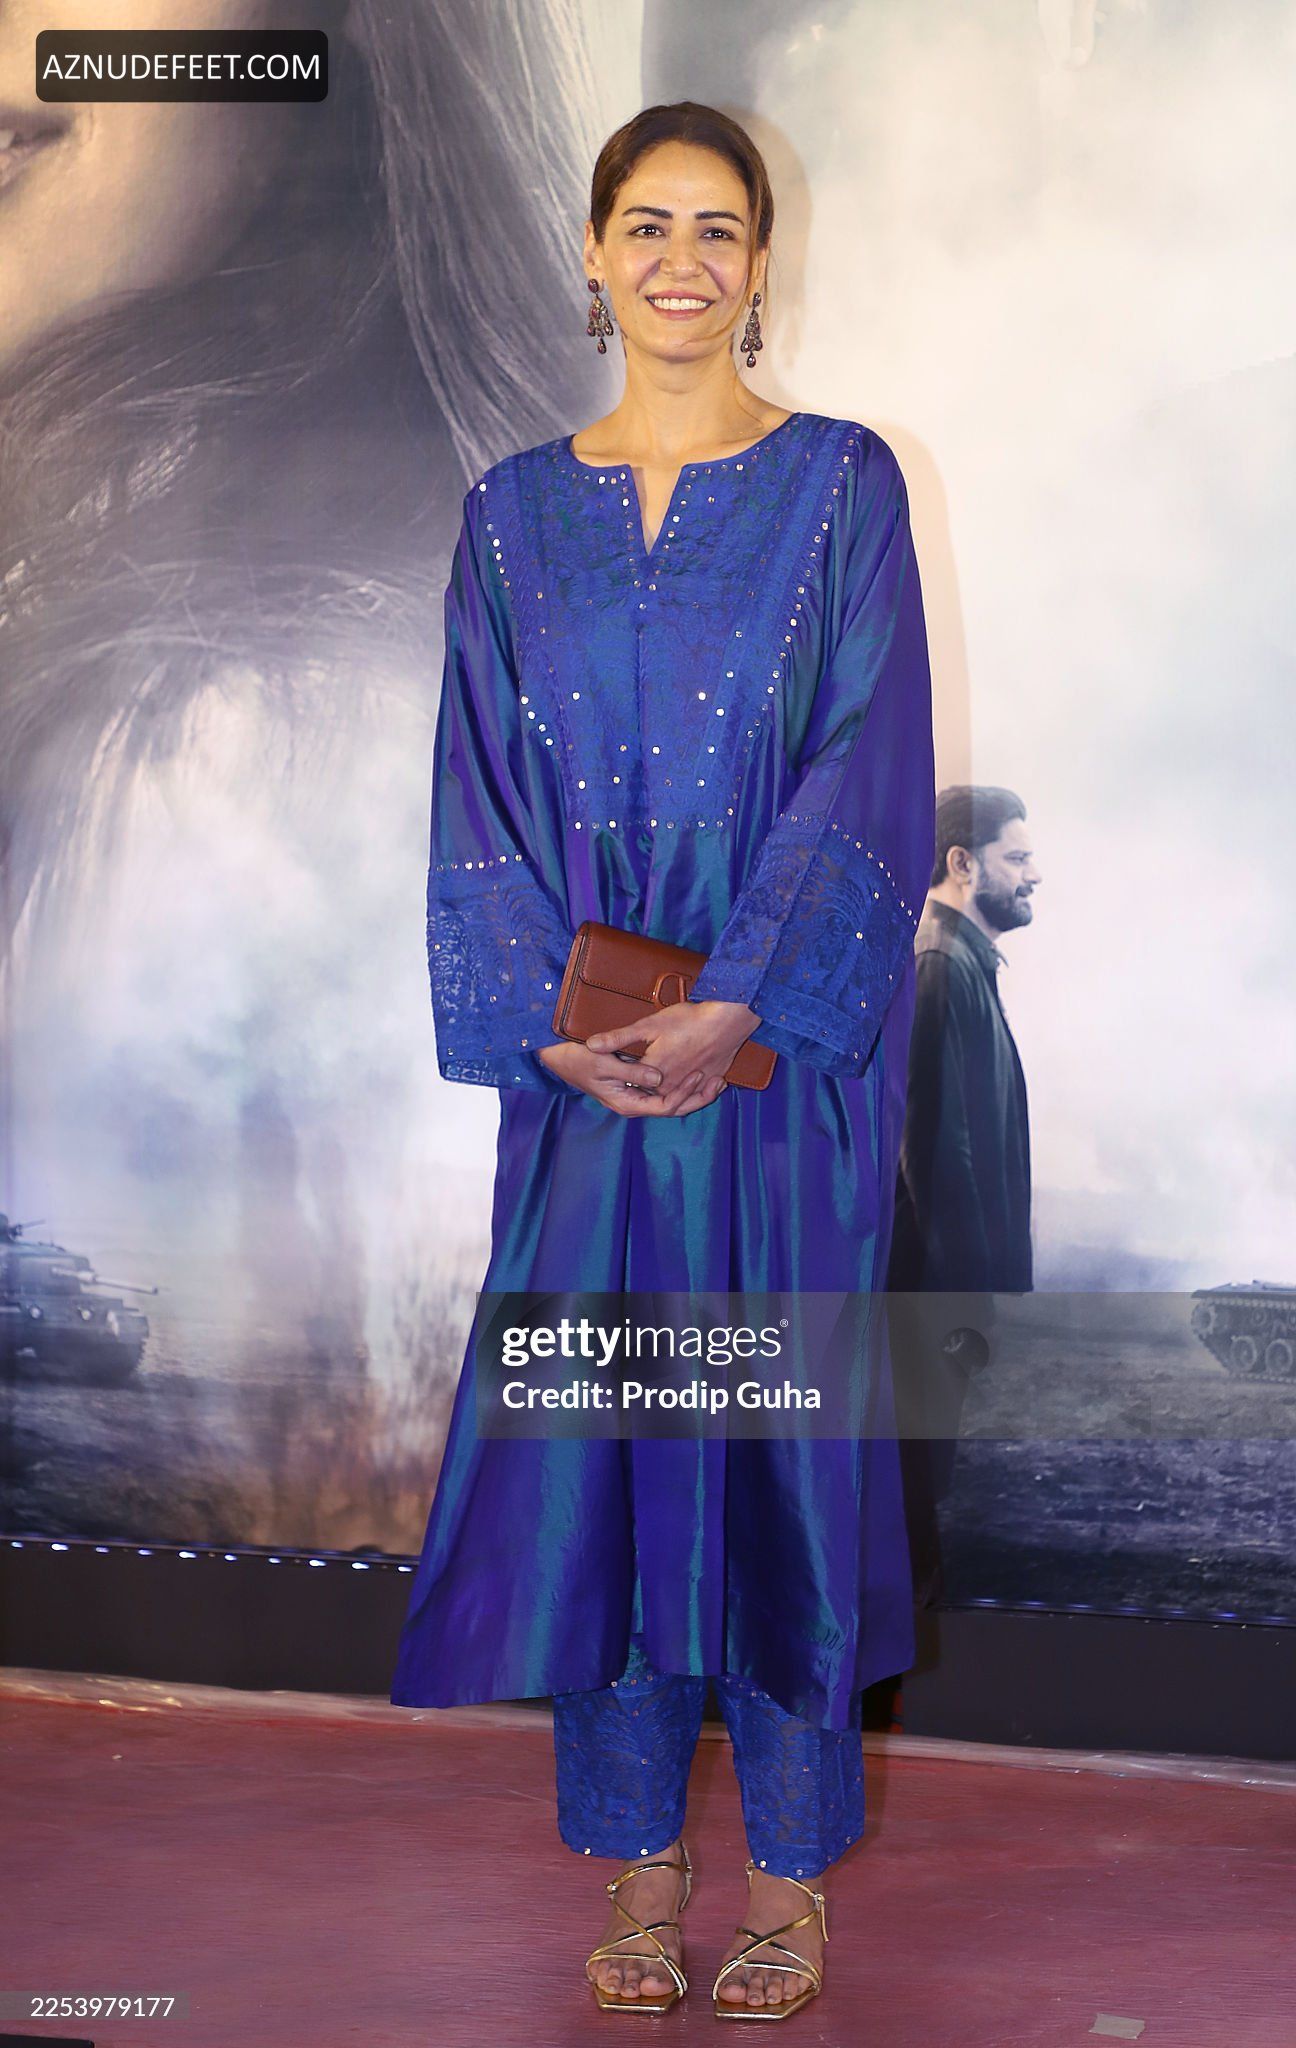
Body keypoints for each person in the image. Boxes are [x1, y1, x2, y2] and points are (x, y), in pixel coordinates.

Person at [389, 101, 935, 2019]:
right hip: (587, 1088)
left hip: (777, 1088)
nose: (680, 260)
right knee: (605, 1459)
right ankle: (638, 1863)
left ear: (761, 263)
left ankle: (788, 1878)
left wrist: (744, 998)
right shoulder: (505, 514)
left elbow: (868, 756)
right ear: (593, 252)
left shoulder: (843, 485)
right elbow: (475, 789)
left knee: (775, 1458)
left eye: (716, 227)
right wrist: (558, 1023)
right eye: (646, 223)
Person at [887, 785, 1039, 1596]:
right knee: (914, 1493)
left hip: (931, 1290)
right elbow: (941, 1156)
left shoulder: (959, 962)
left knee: (920, 1488)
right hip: (928, 1294)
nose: (1034, 874)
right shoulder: (941, 966)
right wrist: (966, 1304)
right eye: (1017, 857)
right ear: (961, 864)